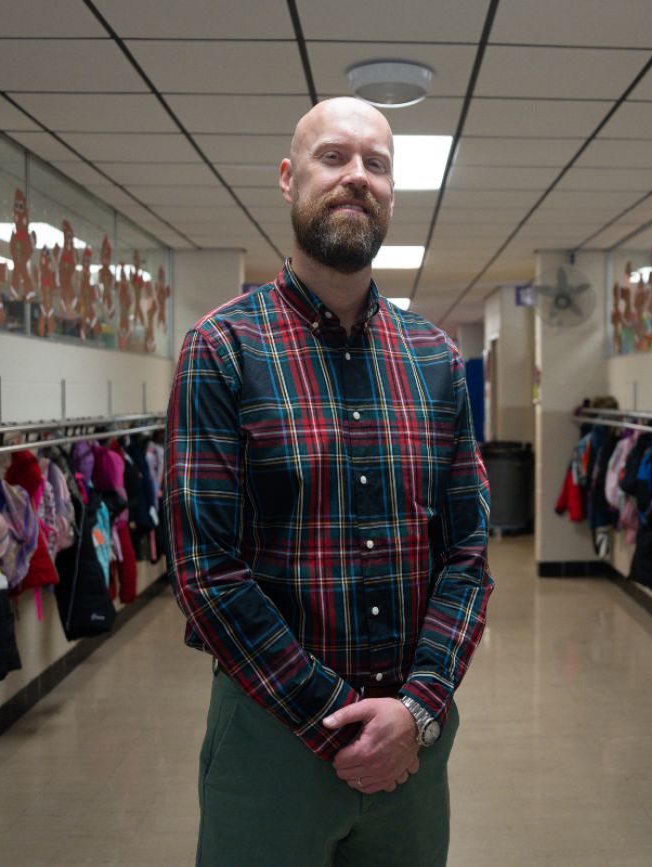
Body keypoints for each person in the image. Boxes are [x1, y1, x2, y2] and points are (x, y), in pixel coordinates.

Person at [165, 96, 493, 866]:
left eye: (375, 164)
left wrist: (417, 709)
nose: (356, 177)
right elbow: (206, 575)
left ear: (391, 191)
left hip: (412, 743)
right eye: (334, 157)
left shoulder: (437, 360)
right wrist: (332, 719)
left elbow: (468, 556)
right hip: (271, 739)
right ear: (288, 178)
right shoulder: (222, 349)